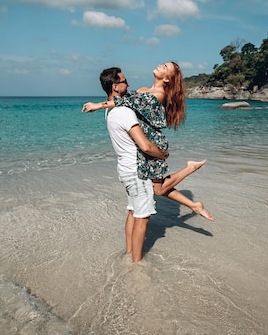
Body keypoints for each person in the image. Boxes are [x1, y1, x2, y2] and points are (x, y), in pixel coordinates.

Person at [84, 62, 214, 221]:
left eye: (165, 68)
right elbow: (125, 98)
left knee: (157, 190)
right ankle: (194, 206)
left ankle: (189, 168)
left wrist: (97, 105)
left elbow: (128, 102)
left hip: (152, 146)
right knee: (156, 188)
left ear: (167, 79)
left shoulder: (159, 94)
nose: (160, 65)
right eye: (163, 64)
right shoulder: (144, 89)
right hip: (143, 145)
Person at [95, 67, 169, 262]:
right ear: (116, 87)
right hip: (137, 171)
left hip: (124, 169)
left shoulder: (110, 111)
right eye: (125, 81)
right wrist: (163, 154)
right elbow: (145, 146)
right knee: (143, 218)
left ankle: (129, 252)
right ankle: (137, 265)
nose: (129, 84)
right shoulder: (125, 112)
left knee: (133, 212)